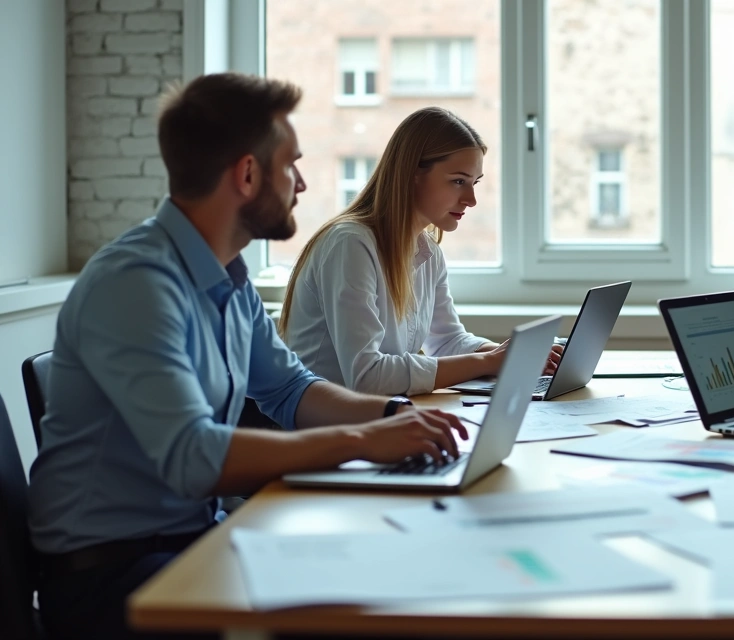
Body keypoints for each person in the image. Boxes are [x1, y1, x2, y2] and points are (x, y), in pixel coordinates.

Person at [28, 73, 468, 640]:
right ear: (247, 174)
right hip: (113, 575)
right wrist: (362, 441)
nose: (303, 184)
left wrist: (394, 416)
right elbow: (193, 457)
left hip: (188, 537)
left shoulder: (227, 280)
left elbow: (291, 390)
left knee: (387, 565)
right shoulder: (137, 283)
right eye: (292, 166)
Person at [280, 107, 561, 396]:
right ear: (413, 173)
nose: (471, 199)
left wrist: (510, 354)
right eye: (458, 181)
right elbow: (367, 377)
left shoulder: (427, 251)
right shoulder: (350, 244)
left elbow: (446, 340)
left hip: (375, 417)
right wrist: (489, 361)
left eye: (474, 183)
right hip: (321, 428)